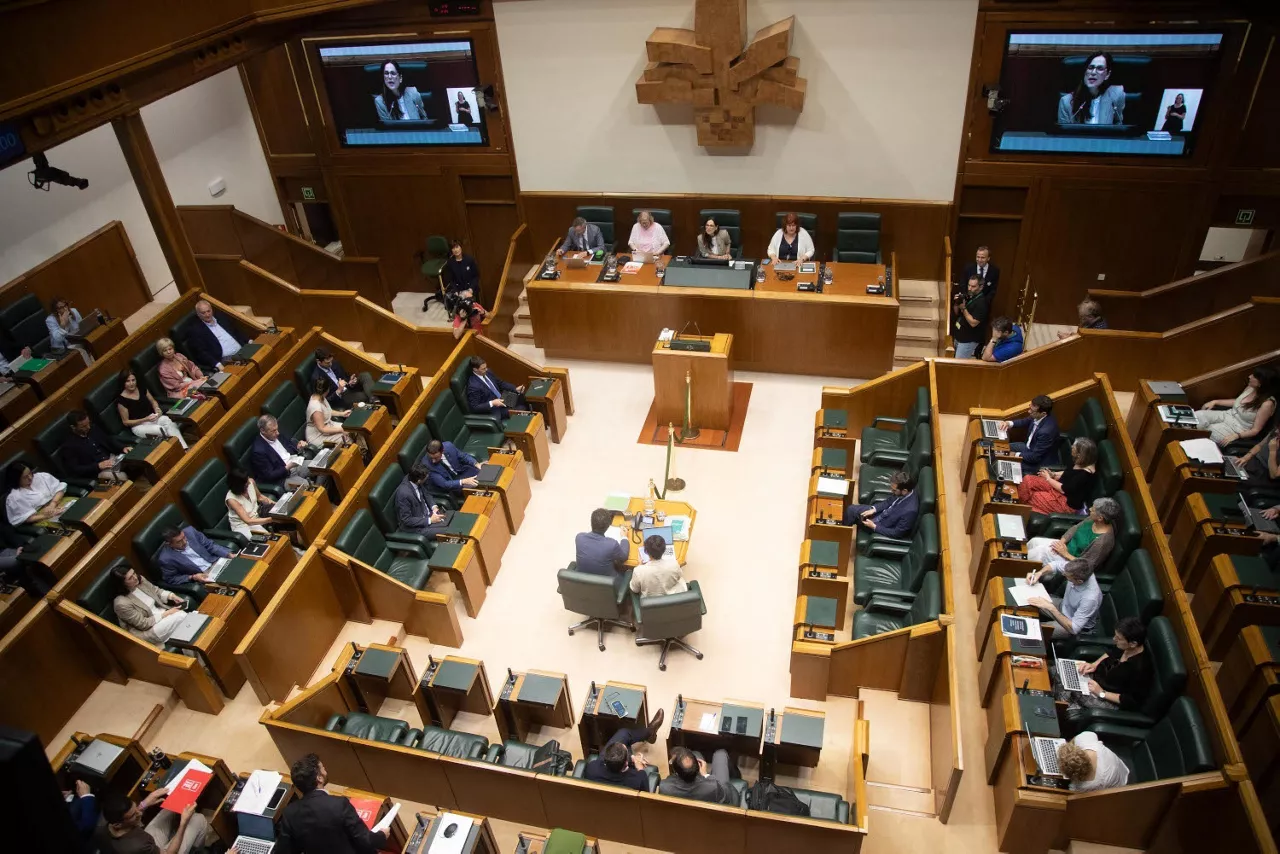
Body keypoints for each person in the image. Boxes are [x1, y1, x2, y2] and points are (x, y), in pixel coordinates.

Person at [277, 753, 388, 854]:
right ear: (319, 778)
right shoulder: (339, 804)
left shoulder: (290, 814)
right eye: (323, 768)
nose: (326, 771)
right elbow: (366, 840)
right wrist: (382, 835)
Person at [1053, 616, 1152, 712]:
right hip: (1096, 681)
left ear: (1133, 643)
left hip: (1108, 699)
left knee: (1064, 682)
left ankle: (1062, 710)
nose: (1114, 639)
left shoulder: (1141, 668)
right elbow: (1109, 653)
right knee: (1060, 670)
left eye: (1118, 638)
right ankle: (1067, 703)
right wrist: (1094, 664)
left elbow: (1131, 701)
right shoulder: (1125, 647)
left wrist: (1101, 693)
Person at [1025, 496, 1119, 578]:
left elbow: (1085, 566)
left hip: (1072, 562)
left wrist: (1065, 553)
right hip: (1065, 548)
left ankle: (1018, 567)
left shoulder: (1102, 542)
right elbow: (1075, 528)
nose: (1089, 509)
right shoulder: (1092, 519)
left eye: (1093, 509)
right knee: (1035, 541)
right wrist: (1061, 542)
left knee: (1040, 552)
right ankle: (1018, 559)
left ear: (1100, 518)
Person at [96, 788, 207, 854]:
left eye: (136, 809)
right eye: (134, 815)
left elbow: (131, 815)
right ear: (117, 824)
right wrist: (183, 823)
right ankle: (196, 851)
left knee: (170, 809)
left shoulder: (104, 824)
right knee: (199, 819)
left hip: (148, 848)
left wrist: (144, 803)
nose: (139, 813)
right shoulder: (138, 844)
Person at [1194, 366, 1278, 449]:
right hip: (1227, 415)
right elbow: (1238, 402)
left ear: (1261, 383)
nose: (1250, 376)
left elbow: (1255, 430)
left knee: (1205, 431)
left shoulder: (1267, 404)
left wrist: (1237, 436)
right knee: (1197, 416)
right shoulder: (1250, 387)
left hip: (1237, 429)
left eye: (1254, 376)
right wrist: (1215, 401)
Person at [582, 710, 665, 791]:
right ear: (627, 763)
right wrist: (640, 768)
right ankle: (650, 732)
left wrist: (632, 757)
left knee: (623, 735)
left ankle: (649, 732)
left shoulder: (591, 769)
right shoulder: (638, 779)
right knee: (624, 733)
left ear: (605, 757)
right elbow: (646, 792)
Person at [110, 564, 189, 645]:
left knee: (184, 631)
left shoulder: (140, 580)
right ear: (122, 584)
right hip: (148, 630)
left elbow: (156, 591)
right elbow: (143, 624)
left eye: (134, 573)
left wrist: (172, 596)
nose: (135, 577)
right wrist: (166, 614)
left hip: (163, 615)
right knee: (182, 616)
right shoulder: (121, 603)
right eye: (130, 578)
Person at [1018, 437, 1098, 516]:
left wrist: (1048, 478)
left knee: (1033, 496)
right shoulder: (1080, 462)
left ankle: (1019, 510)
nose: (1072, 447)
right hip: (1057, 488)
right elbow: (1068, 473)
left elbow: (1063, 489)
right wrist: (1053, 474)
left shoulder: (1085, 475)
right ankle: (1017, 504)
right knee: (1028, 480)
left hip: (1064, 501)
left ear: (1080, 454)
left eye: (1074, 447)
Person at [1028, 559, 1102, 640]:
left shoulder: (1090, 599)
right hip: (1064, 606)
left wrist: (1052, 608)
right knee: (1030, 600)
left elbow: (1074, 629)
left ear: (1079, 581)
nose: (1063, 574)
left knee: (1033, 630)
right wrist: (1039, 573)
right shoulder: (1076, 568)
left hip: (1070, 625)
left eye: (1067, 576)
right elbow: (1055, 564)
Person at [116, 370, 188, 449]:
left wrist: (157, 409)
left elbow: (153, 401)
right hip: (139, 426)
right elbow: (126, 422)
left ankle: (184, 448)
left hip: (152, 417)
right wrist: (145, 419)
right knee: (160, 429)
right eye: (128, 381)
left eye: (133, 380)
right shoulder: (121, 401)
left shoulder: (142, 388)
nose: (131, 383)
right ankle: (175, 449)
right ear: (123, 383)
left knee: (168, 421)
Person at [157, 526, 233, 597]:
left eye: (184, 537)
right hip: (205, 576)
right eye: (179, 542)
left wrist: (228, 554)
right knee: (232, 588)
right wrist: (193, 577)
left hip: (217, 562)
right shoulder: (166, 559)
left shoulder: (190, 531)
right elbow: (171, 578)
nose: (184, 542)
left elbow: (210, 545)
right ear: (169, 544)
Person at [841, 470, 919, 536]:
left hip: (881, 525)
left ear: (904, 491)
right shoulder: (906, 491)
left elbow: (897, 533)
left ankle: (841, 541)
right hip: (880, 514)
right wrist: (874, 509)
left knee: (855, 516)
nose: (891, 491)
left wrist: (874, 526)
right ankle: (840, 533)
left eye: (894, 490)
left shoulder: (910, 511)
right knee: (851, 510)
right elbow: (888, 502)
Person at [62, 410, 129, 484]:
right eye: (83, 426)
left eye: (88, 423)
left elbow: (108, 440)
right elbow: (76, 469)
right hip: (99, 472)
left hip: (112, 459)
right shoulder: (69, 446)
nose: (88, 427)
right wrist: (97, 466)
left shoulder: (93, 428)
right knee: (124, 476)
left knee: (136, 464)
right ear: (73, 427)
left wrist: (122, 447)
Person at [998, 394, 1061, 473]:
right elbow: (1025, 421)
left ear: (1043, 414)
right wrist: (1008, 423)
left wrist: (1015, 455)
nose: (1029, 411)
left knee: (1005, 462)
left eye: (1032, 410)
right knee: (1001, 448)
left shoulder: (1046, 432)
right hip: (1028, 448)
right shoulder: (1038, 415)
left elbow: (1035, 457)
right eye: (1030, 407)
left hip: (1038, 462)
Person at [1058, 52, 1125, 125]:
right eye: (1090, 67)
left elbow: (1118, 126)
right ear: (1085, 71)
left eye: (1100, 68)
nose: (1093, 72)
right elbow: (1064, 134)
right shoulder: (1066, 102)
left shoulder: (1116, 95)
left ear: (1107, 74)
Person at [658, 745, 739, 806]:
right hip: (710, 816)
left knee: (696, 753)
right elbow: (728, 796)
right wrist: (705, 775)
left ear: (676, 772)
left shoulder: (664, 787)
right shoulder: (713, 787)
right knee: (720, 753)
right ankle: (736, 775)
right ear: (698, 768)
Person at [575, 508, 630, 594]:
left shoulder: (579, 538)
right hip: (607, 585)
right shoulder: (612, 544)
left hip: (584, 581)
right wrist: (624, 537)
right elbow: (624, 557)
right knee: (628, 572)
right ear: (608, 526)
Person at [251, 414, 311, 491]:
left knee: (319, 467)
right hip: (283, 478)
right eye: (273, 431)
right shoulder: (258, 451)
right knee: (305, 485)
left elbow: (289, 445)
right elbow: (269, 475)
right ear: (263, 430)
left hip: (295, 464)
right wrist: (287, 467)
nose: (277, 433)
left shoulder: (275, 434)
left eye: (277, 429)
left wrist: (298, 446)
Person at [4, 462, 72, 527]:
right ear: (16, 479)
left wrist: (52, 505)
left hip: (57, 502)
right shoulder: (15, 497)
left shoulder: (41, 476)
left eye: (30, 473)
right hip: (41, 517)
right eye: (25, 477)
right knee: (69, 524)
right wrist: (49, 515)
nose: (30, 478)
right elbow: (24, 518)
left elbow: (60, 489)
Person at [1056, 731, 1129, 792]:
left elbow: (1072, 788)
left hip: (1119, 786)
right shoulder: (1088, 742)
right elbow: (1077, 739)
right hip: (1119, 767)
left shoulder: (1083, 787)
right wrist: (1069, 745)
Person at [186, 299, 245, 371]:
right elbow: (201, 352)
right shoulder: (195, 331)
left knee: (259, 352)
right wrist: (217, 364)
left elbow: (235, 331)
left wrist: (249, 341)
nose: (207, 315)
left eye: (208, 311)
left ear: (211, 310)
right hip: (227, 358)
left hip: (242, 349)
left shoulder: (221, 317)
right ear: (198, 314)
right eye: (203, 313)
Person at [394, 464, 449, 538]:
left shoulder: (413, 478)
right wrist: (430, 520)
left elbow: (426, 494)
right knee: (449, 531)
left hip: (429, 514)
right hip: (417, 527)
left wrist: (434, 507)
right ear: (419, 481)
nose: (428, 477)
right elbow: (406, 520)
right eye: (426, 477)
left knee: (453, 519)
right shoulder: (403, 494)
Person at [465, 356, 526, 421]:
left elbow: (500, 383)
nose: (486, 369)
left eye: (486, 367)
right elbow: (475, 407)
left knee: (524, 398)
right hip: (494, 409)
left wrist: (515, 389)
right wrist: (492, 403)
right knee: (521, 409)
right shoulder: (473, 386)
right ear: (475, 369)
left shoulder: (488, 372)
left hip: (502, 398)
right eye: (483, 369)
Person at [306, 376, 355, 448]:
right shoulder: (316, 407)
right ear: (327, 389)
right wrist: (341, 430)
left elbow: (328, 411)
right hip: (318, 436)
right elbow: (322, 429)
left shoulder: (320, 396)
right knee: (347, 438)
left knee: (352, 429)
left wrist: (342, 414)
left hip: (327, 425)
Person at [226, 468, 273, 539]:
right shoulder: (231, 499)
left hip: (258, 514)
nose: (248, 482)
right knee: (267, 538)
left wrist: (278, 505)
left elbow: (260, 497)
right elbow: (248, 521)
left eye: (247, 479)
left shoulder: (250, 482)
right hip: (244, 525)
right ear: (238, 485)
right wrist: (271, 519)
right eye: (246, 482)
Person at [951, 274, 990, 359]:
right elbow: (957, 312)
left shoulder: (982, 303)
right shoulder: (969, 295)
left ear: (981, 287)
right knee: (955, 360)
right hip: (959, 335)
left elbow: (973, 323)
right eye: (969, 285)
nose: (969, 288)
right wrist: (957, 303)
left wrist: (964, 308)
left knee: (959, 364)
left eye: (973, 286)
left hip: (967, 340)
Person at [46, 297, 92, 364]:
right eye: (61, 307)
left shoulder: (74, 311)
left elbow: (81, 328)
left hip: (75, 343)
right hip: (61, 349)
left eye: (65, 305)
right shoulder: (50, 320)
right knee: (81, 353)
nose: (65, 309)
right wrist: (63, 325)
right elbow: (59, 339)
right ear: (56, 310)